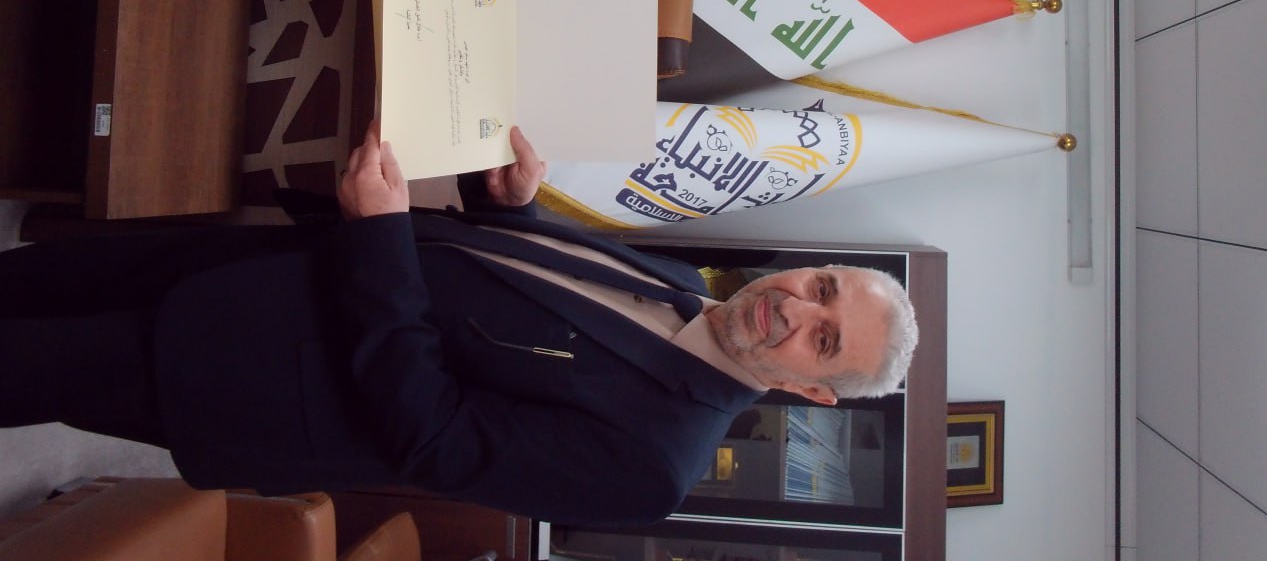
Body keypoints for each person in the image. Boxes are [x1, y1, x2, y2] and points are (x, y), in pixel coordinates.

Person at [0, 123, 918, 528]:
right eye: (822, 286)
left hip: (239, 371)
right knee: (27, 280)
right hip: (258, 264)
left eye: (822, 339)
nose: (795, 307)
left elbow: (430, 435)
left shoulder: (653, 469)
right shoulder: (684, 283)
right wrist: (510, 207)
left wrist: (382, 236)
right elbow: (517, 289)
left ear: (810, 391)